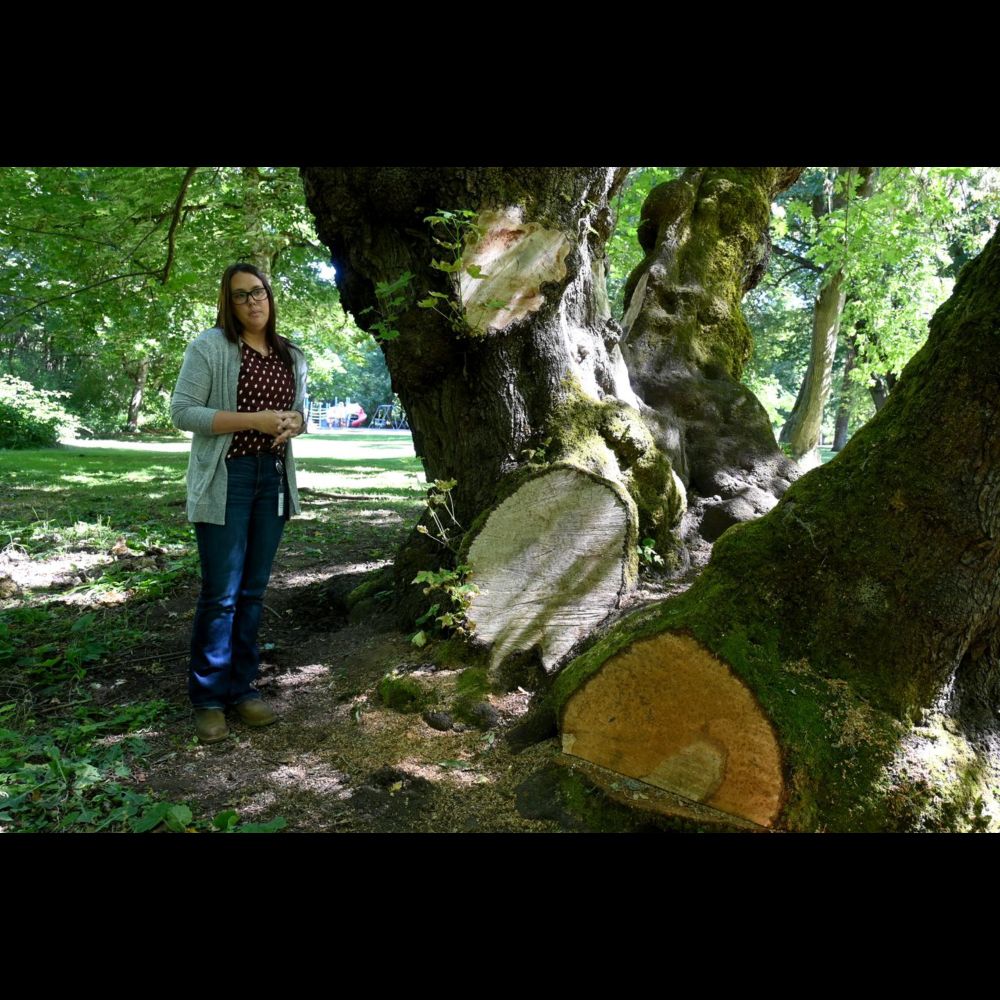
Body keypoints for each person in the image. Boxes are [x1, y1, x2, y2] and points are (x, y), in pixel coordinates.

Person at [170, 263, 308, 744]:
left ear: (270, 296)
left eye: (259, 292)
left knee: (253, 592)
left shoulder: (291, 353)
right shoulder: (210, 347)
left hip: (271, 480)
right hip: (226, 479)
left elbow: (299, 413)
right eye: (240, 296)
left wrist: (293, 423)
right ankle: (208, 699)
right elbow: (183, 412)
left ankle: (243, 688)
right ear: (228, 304)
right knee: (221, 594)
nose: (253, 301)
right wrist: (255, 421)